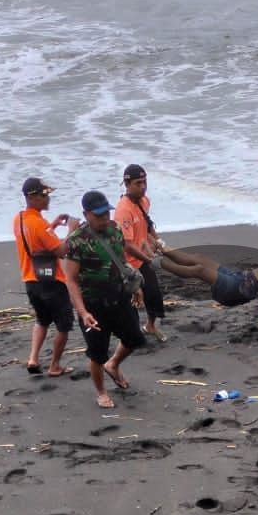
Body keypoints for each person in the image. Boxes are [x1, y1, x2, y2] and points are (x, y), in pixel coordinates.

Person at [63, 190, 153, 409]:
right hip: (93, 304)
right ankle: (101, 392)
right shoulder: (76, 241)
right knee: (97, 353)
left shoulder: (114, 231)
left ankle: (114, 364)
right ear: (86, 214)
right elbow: (71, 280)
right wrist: (83, 312)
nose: (104, 218)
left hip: (120, 296)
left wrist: (135, 287)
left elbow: (122, 262)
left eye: (106, 213)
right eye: (99, 215)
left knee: (134, 339)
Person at [13, 177, 80, 376]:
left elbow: (36, 240)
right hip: (50, 281)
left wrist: (53, 225)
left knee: (42, 320)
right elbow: (61, 251)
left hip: (30, 280)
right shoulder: (39, 225)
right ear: (32, 197)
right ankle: (55, 365)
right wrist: (72, 231)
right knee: (64, 324)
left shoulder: (19, 219)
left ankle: (33, 358)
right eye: (44, 195)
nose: (47, 198)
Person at [114, 164, 167, 341]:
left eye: (145, 182)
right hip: (126, 262)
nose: (143, 186)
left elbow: (147, 224)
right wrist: (149, 258)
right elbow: (127, 245)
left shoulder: (144, 201)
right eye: (138, 183)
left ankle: (150, 326)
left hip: (142, 256)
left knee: (154, 294)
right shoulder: (123, 210)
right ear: (127, 184)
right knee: (132, 301)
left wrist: (158, 241)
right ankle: (133, 333)